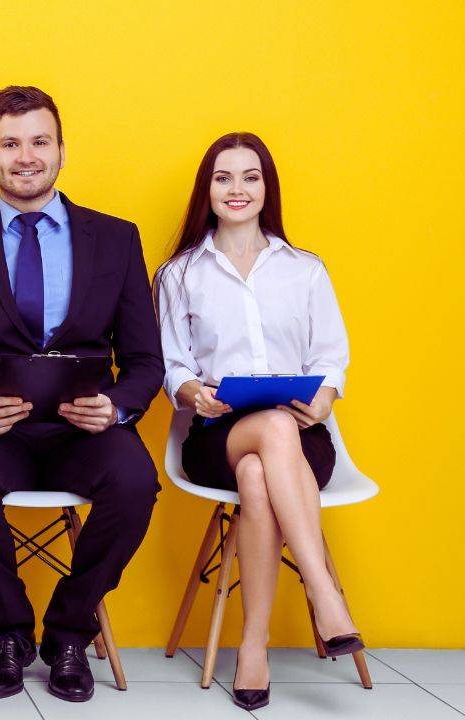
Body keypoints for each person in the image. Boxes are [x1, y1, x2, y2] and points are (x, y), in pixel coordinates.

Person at [0, 86, 163, 703]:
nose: (26, 156)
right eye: (10, 143)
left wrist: (118, 407)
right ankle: (10, 632)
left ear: (61, 151)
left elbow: (144, 361)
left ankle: (70, 631)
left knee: (135, 484)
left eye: (39, 141)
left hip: (87, 430)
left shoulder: (117, 239)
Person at [154, 132, 360, 711]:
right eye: (224, 178)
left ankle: (252, 647)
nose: (237, 189)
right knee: (268, 431)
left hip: (300, 437)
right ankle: (324, 595)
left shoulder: (305, 269)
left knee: (257, 475)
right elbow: (174, 364)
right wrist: (195, 392)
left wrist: (325, 397)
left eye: (250, 177)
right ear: (208, 189)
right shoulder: (179, 274)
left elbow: (330, 356)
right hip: (217, 432)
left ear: (267, 188)